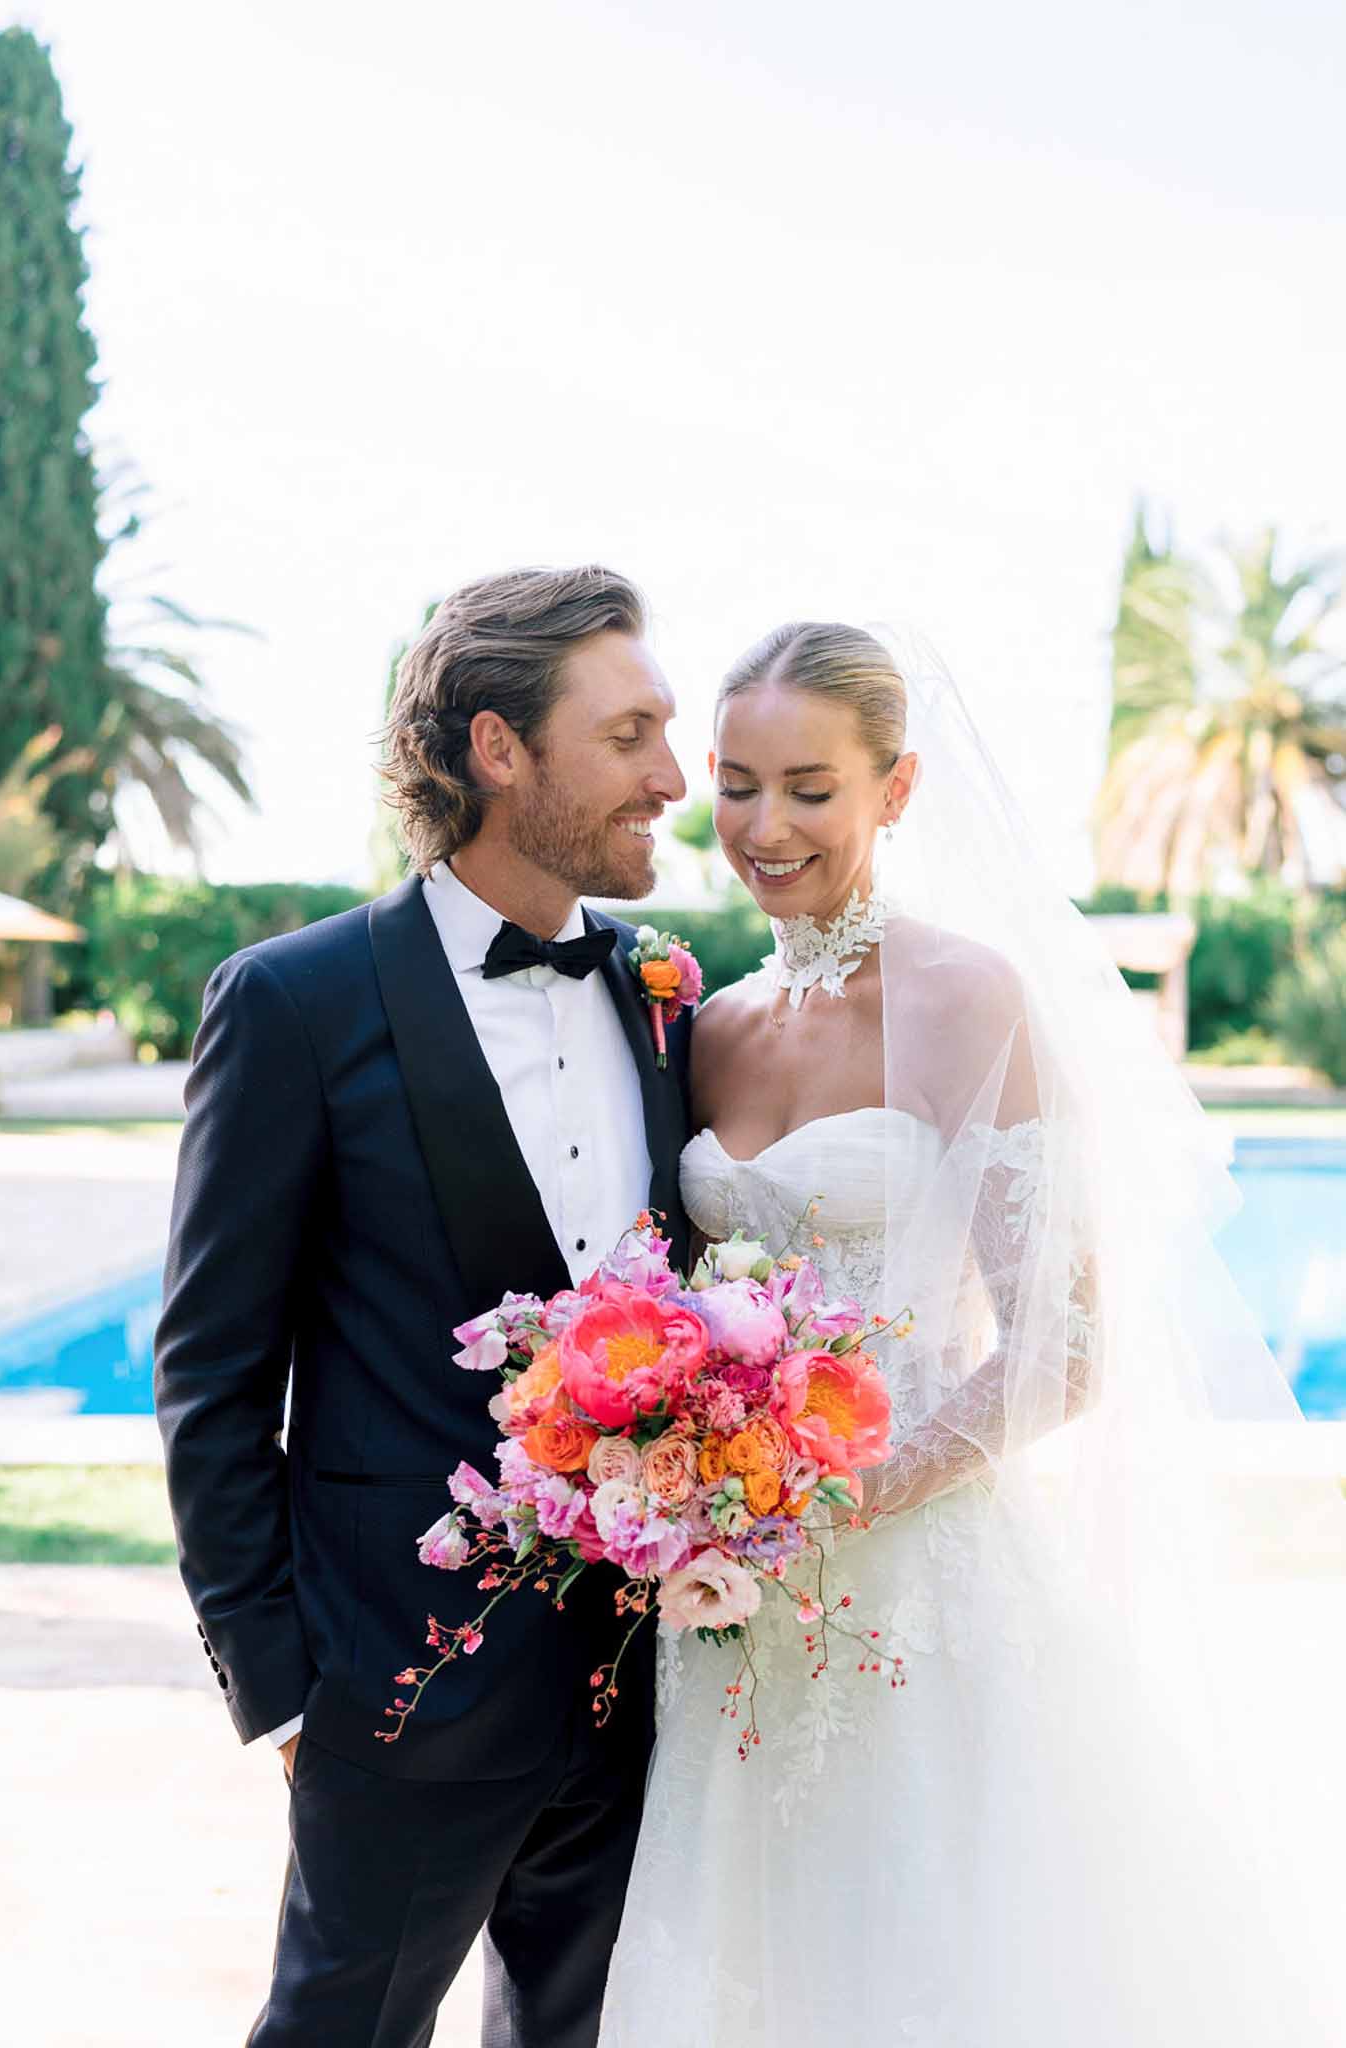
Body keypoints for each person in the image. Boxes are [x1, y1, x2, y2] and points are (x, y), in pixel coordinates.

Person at [599, 621, 1346, 2047]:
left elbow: (1061, 1351)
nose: (764, 827)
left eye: (809, 787)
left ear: (896, 787)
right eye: (737, 782)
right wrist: (697, 1491)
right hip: (727, 1608)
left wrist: (831, 1502)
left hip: (914, 1585)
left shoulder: (963, 997)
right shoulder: (707, 1020)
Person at [154, 565, 689, 2048]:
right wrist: (281, 1687)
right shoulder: (293, 1003)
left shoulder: (666, 998)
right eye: (629, 732)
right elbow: (210, 1373)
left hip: (648, 1688)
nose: (674, 774)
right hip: (398, 1684)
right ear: (495, 747)